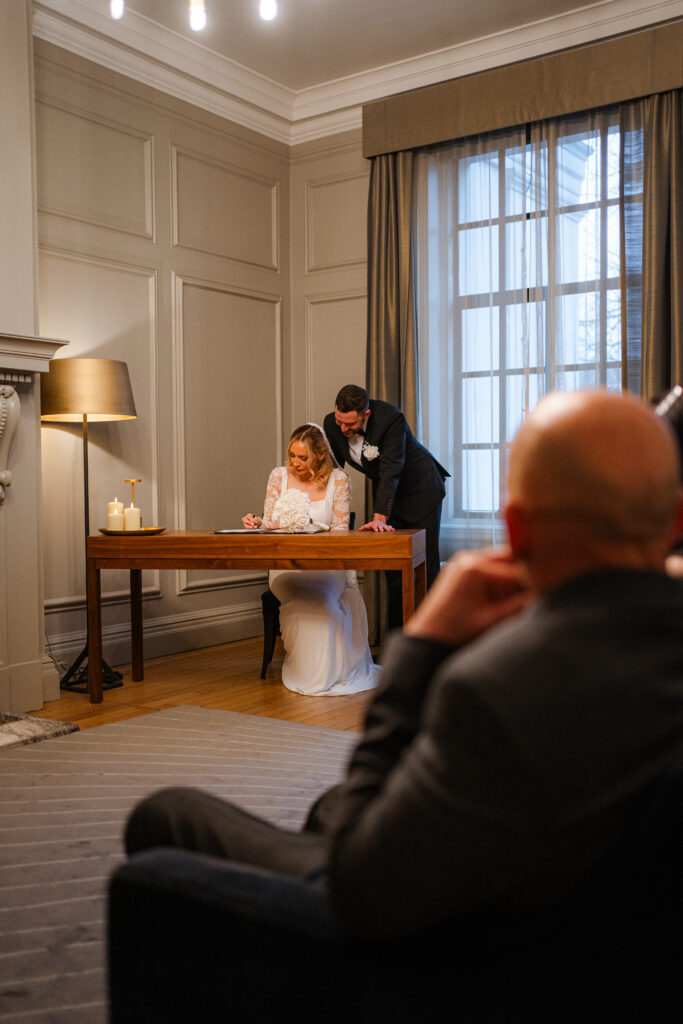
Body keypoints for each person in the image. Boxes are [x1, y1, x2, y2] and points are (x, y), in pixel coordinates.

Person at [124, 389, 683, 940]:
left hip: (415, 921)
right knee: (326, 807)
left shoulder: (494, 690)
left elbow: (365, 883)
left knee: (165, 813)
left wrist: (421, 647)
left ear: (514, 527)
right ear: (675, 520)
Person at [241, 423, 379, 696]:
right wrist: (257, 521)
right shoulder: (277, 476)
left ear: (319, 456)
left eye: (302, 458)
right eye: (292, 456)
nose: (295, 463)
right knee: (301, 597)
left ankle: (328, 672)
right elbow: (270, 523)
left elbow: (340, 532)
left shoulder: (338, 480)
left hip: (326, 565)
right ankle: (305, 671)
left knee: (323, 600)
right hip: (286, 566)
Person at [323, 385, 449, 629]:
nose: (343, 429)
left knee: (427, 571)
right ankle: (395, 649)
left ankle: (431, 645)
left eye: (350, 424)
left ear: (366, 415)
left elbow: (391, 470)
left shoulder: (391, 419)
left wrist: (380, 519)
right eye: (340, 421)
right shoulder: (332, 424)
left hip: (420, 490)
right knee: (393, 574)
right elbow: (334, 471)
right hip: (387, 497)